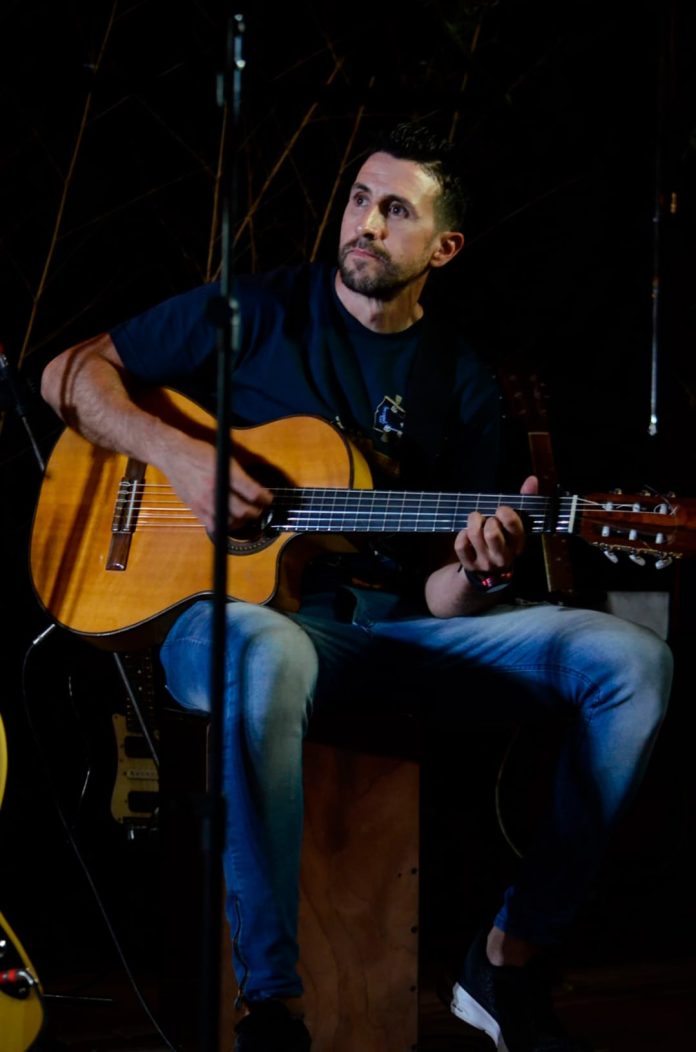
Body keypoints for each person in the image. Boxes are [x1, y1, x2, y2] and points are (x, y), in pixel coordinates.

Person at [40, 122, 673, 1052]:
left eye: (396, 210)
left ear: (443, 248)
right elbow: (68, 375)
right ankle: (274, 1009)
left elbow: (438, 601)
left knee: (633, 659)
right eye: (359, 199)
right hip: (228, 623)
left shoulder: (459, 383)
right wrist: (182, 458)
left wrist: (476, 566)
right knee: (264, 649)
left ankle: (509, 956)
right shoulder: (255, 313)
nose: (366, 223)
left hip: (382, 639)